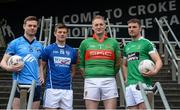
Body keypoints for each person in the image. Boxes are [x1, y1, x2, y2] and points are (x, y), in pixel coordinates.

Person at [0, 16, 43, 109]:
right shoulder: (15, 43)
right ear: (24, 26)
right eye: (30, 25)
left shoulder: (40, 45)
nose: (32, 28)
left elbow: (39, 63)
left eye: (34, 26)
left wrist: (42, 74)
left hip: (36, 84)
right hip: (19, 84)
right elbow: (3, 62)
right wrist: (9, 68)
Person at [78, 15, 121, 109]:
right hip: (90, 80)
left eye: (101, 24)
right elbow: (80, 64)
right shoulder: (85, 43)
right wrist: (88, 75)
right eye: (96, 25)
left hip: (109, 80)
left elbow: (118, 62)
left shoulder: (114, 43)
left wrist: (111, 73)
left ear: (105, 26)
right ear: (92, 27)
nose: (99, 27)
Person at [122, 18, 163, 109]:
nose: (131, 29)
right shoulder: (127, 47)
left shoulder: (146, 43)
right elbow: (124, 64)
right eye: (129, 27)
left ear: (140, 29)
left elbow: (158, 60)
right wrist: (126, 79)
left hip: (143, 83)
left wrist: (155, 71)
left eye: (134, 27)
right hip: (130, 85)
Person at [39, 23, 77, 110]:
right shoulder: (48, 49)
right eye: (59, 32)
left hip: (67, 89)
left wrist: (67, 79)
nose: (62, 34)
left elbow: (74, 70)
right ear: (55, 33)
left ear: (67, 34)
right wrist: (41, 76)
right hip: (52, 88)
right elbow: (41, 65)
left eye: (64, 32)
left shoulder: (72, 51)